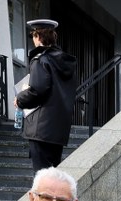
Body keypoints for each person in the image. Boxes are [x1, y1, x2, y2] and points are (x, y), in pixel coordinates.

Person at [16, 19, 77, 171]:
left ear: (38, 36)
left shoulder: (41, 60)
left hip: (41, 128)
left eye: (33, 36)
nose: (33, 40)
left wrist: (20, 99)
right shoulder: (64, 61)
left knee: (42, 177)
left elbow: (37, 90)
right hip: (58, 129)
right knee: (52, 175)